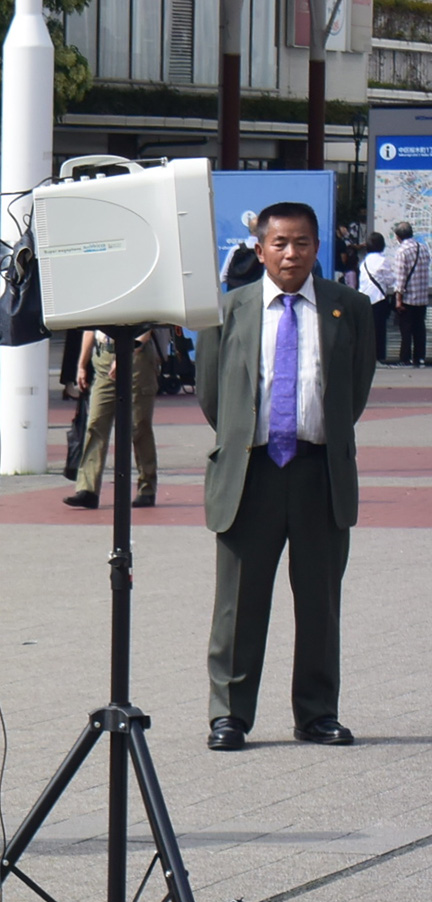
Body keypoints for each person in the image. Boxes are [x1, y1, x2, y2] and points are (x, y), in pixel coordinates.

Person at [196, 201, 374, 752]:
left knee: (319, 601)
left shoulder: (349, 308)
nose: (291, 253)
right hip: (251, 473)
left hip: (320, 471)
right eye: (280, 243)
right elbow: (211, 393)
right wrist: (243, 437)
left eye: (301, 243)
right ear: (260, 249)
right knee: (239, 604)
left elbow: (355, 391)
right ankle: (230, 715)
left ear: (317, 248)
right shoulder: (227, 309)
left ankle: (317, 714)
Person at [62, 327, 159, 509]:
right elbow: (90, 328)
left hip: (136, 356)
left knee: (139, 425)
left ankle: (147, 487)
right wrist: (81, 365)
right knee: (96, 423)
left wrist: (126, 355)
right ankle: (87, 489)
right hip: (103, 356)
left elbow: (145, 330)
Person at [392, 221, 429, 367]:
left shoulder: (402, 252)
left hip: (408, 298)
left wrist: (398, 300)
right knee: (420, 329)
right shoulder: (423, 248)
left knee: (406, 330)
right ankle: (419, 358)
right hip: (422, 297)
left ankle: (405, 359)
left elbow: (400, 278)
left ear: (398, 236)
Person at [357, 232, 393, 364]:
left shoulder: (364, 262)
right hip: (379, 298)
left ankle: (366, 357)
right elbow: (390, 280)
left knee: (366, 330)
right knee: (379, 330)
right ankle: (379, 356)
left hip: (364, 299)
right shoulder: (383, 261)